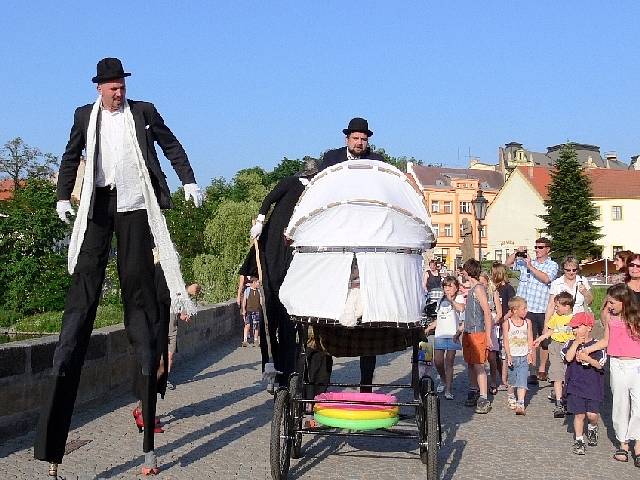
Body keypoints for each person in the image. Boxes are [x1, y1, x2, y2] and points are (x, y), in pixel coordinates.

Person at [35, 58, 202, 478]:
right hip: (97, 206)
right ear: (98, 88)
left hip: (135, 206)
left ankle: (148, 437)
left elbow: (171, 144)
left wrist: (188, 179)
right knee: (80, 305)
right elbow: (71, 155)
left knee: (139, 300)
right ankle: (52, 447)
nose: (117, 92)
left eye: (121, 85)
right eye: (111, 87)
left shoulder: (143, 112)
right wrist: (61, 195)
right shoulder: (83, 116)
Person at [249, 158, 319, 386]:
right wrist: (260, 221)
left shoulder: (316, 192)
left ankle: (287, 372)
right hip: (273, 253)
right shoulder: (290, 182)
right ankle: (270, 368)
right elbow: (269, 199)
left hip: (294, 251)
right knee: (270, 323)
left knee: (289, 328)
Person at [583, 283, 640, 464]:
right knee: (620, 405)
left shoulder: (637, 318)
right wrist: (587, 349)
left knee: (638, 406)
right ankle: (623, 443)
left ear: (624, 301)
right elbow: (606, 341)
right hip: (617, 363)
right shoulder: (611, 319)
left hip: (636, 364)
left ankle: (638, 444)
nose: (610, 306)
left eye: (613, 302)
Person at [505, 237, 559, 385]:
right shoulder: (528, 261)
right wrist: (517, 253)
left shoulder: (552, 265)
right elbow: (507, 265)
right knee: (530, 340)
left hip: (542, 308)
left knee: (544, 341)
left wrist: (530, 268)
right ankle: (533, 371)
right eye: (536, 247)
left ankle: (542, 368)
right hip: (526, 309)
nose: (537, 250)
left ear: (548, 249)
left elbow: (547, 279)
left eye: (541, 247)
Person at [561, 312, 606, 455]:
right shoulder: (569, 343)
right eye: (572, 328)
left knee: (592, 415)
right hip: (575, 385)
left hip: (593, 385)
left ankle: (593, 427)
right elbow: (567, 358)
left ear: (588, 327)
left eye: (577, 327)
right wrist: (575, 344)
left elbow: (600, 365)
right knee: (579, 414)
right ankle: (579, 440)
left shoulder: (597, 345)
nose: (574, 330)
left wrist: (588, 358)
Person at [454, 259, 493, 414]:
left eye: (463, 270)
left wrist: (488, 336)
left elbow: (487, 313)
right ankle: (473, 389)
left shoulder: (478, 289)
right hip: (469, 332)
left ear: (468, 271)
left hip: (478, 332)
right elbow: (469, 314)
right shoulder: (471, 289)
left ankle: (484, 397)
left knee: (479, 365)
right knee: (470, 363)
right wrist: (460, 331)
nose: (461, 273)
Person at [533, 291, 575, 418]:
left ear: (567, 306)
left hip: (569, 347)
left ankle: (568, 399)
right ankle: (559, 402)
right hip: (556, 346)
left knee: (568, 375)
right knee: (557, 374)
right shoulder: (556, 317)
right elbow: (551, 330)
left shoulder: (574, 318)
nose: (555, 308)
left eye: (557, 306)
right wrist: (541, 338)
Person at [424, 276, 464, 400]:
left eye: (450, 286)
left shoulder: (459, 297)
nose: (447, 289)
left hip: (453, 334)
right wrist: (430, 327)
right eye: (445, 287)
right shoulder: (441, 300)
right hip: (440, 333)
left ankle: (448, 389)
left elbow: (461, 308)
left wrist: (451, 300)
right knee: (438, 361)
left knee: (449, 361)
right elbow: (440, 317)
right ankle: (442, 378)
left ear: (456, 287)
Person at [503, 296, 533, 415]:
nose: (526, 311)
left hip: (524, 355)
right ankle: (511, 394)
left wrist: (530, 352)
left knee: (522, 379)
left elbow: (530, 338)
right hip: (513, 355)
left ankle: (521, 402)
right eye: (524, 308)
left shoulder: (527, 322)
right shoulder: (507, 323)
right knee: (512, 379)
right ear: (515, 310)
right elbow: (505, 339)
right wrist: (508, 355)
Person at [318, 117, 385, 171]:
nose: (359, 143)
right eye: (355, 138)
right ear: (347, 140)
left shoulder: (376, 161)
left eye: (363, 139)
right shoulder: (332, 158)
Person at [492, 262, 515, 390]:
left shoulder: (508, 289)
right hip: (495, 324)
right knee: (495, 353)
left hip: (504, 323)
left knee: (504, 353)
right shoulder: (493, 289)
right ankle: (496, 378)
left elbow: (512, 308)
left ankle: (504, 380)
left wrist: (502, 319)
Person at [479, 271, 502, 394]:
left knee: (492, 356)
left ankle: (493, 380)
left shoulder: (494, 293)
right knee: (480, 357)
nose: (482, 285)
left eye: (483, 283)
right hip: (480, 324)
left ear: (488, 282)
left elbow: (499, 312)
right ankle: (480, 382)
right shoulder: (476, 293)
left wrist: (492, 322)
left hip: (492, 324)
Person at [241, 277, 262, 347]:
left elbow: (261, 301)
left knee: (256, 326)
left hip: (256, 310)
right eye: (257, 282)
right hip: (249, 310)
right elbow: (244, 301)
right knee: (247, 325)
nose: (258, 284)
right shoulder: (247, 290)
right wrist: (243, 310)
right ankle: (245, 340)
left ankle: (255, 340)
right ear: (254, 282)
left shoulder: (259, 291)